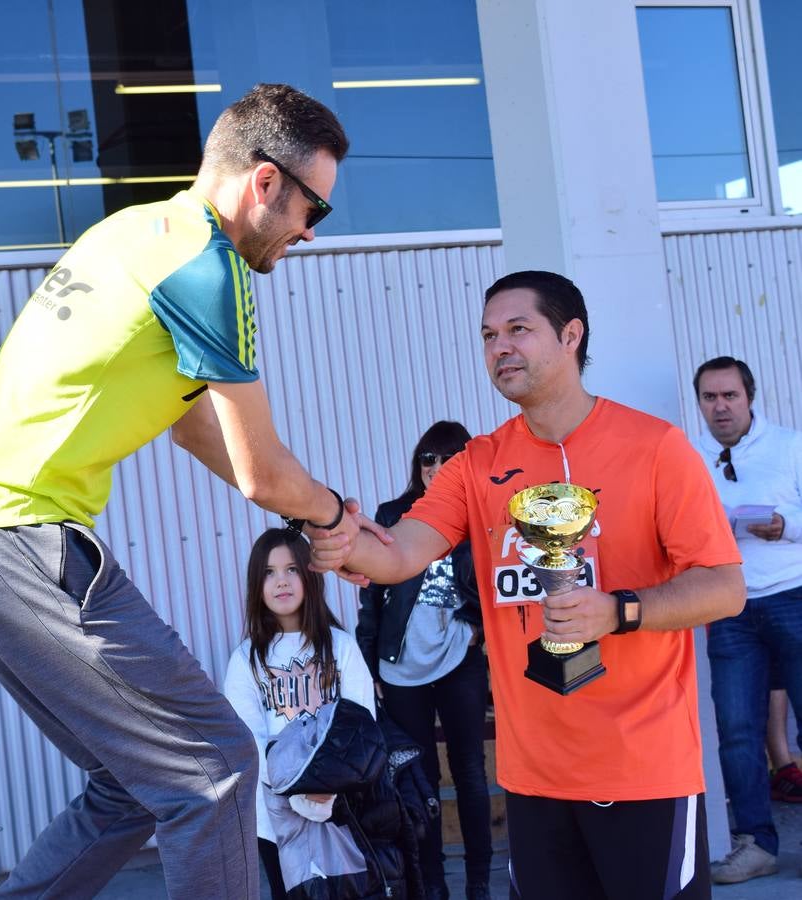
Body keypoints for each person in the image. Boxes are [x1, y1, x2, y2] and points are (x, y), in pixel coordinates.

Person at [0, 83, 365, 899]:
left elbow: (198, 428)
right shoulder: (209, 267)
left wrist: (319, 520)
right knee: (219, 769)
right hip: (21, 537)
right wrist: (335, 518)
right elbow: (263, 471)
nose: (309, 232)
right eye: (315, 209)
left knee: (133, 783)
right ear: (265, 182)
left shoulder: (134, 231)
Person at [309, 271, 746, 900]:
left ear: (572, 335)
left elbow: (724, 588)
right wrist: (342, 537)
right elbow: (402, 551)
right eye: (488, 335)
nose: (499, 347)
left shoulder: (656, 449)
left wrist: (617, 611)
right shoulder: (477, 463)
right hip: (535, 778)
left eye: (519, 329)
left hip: (643, 769)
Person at [358, 420, 491, 900]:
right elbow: (371, 599)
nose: (435, 468)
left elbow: (497, 586)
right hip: (400, 668)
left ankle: (478, 883)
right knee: (419, 776)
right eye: (427, 459)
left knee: (470, 771)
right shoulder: (393, 516)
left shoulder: (481, 518)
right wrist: (370, 664)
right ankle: (430, 884)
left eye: (448, 458)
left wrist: (477, 627)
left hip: (461, 663)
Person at [690, 355, 802, 884]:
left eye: (729, 396)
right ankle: (756, 842)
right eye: (710, 398)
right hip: (730, 607)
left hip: (793, 595)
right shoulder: (691, 460)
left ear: (749, 398)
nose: (720, 407)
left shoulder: (788, 445)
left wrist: (786, 525)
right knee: (736, 730)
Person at [223, 528, 376, 898]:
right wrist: (295, 788)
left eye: (292, 569)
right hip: (274, 812)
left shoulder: (340, 647)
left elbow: (361, 723)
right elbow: (246, 739)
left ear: (309, 575)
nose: (281, 582)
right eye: (269, 572)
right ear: (256, 585)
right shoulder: (246, 659)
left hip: (340, 803)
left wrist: (326, 789)